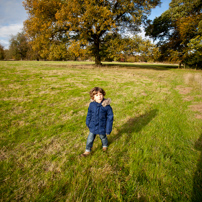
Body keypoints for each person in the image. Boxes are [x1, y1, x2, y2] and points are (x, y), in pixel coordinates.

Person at [81, 87, 114, 157]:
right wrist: (88, 123)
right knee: (90, 139)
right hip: (93, 126)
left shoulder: (107, 106)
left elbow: (110, 118)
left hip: (102, 126)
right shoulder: (91, 105)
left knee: (103, 137)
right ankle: (87, 150)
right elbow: (89, 114)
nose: (99, 96)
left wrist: (108, 129)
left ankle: (105, 145)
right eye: (96, 95)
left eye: (101, 94)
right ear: (93, 97)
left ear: (103, 95)